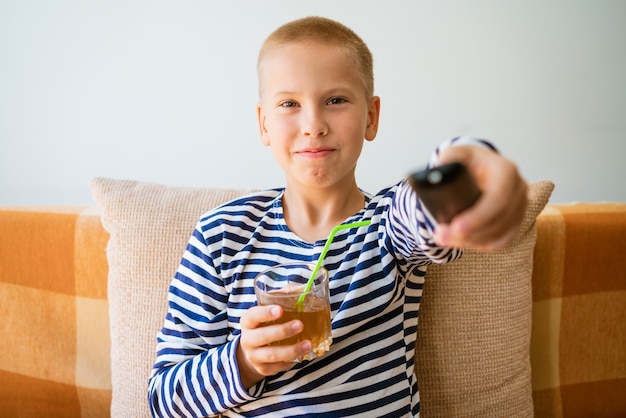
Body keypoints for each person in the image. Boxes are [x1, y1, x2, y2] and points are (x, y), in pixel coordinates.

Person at [148, 16, 527, 417]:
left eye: (336, 100)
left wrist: (462, 164)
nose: (313, 125)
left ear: (371, 117)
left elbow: (426, 209)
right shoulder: (220, 234)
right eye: (289, 104)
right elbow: (162, 401)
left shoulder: (385, 227)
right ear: (263, 123)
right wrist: (245, 361)